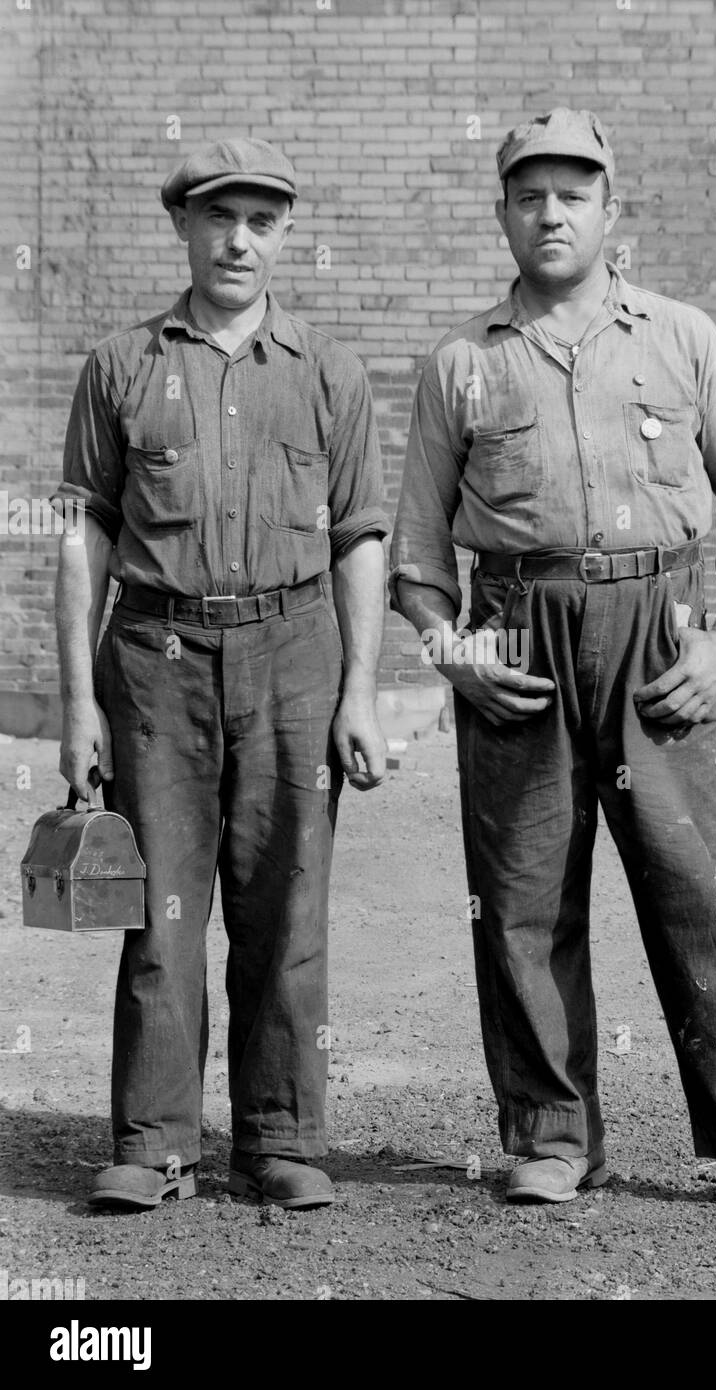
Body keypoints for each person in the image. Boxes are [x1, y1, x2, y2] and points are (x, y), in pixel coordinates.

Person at [389, 108, 716, 1219]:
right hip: (516, 639)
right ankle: (554, 1137)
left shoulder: (683, 339)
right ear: (503, 214)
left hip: (661, 636)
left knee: (705, 897)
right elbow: (416, 558)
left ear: (616, 213)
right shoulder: (460, 363)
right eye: (529, 195)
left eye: (574, 194)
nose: (550, 213)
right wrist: (452, 650)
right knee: (521, 904)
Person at [54, 137, 389, 1211]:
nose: (238, 239)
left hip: (295, 653)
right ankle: (154, 1140)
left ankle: (282, 1138)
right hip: (153, 660)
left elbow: (362, 540)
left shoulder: (331, 373)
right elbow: (84, 539)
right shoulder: (119, 366)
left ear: (285, 233)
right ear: (183, 227)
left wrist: (361, 692)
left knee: (286, 904)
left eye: (261, 220)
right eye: (218, 218)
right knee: (160, 909)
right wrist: (75, 707)